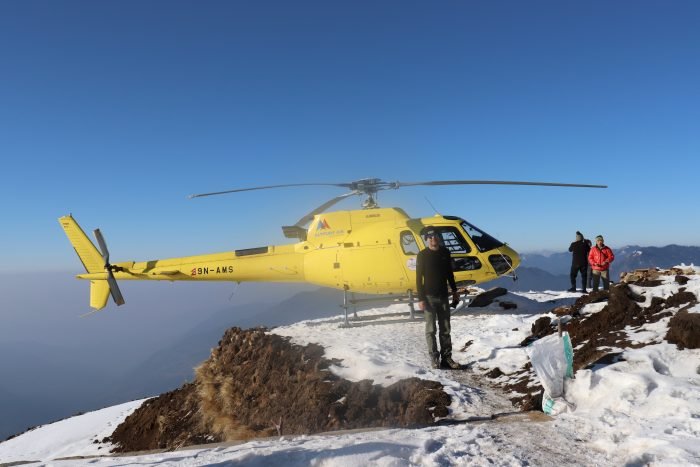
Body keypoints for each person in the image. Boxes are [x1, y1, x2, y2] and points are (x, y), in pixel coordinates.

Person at [416, 227, 461, 370]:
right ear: (426, 239)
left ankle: (446, 358)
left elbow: (450, 274)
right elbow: (418, 279)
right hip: (428, 298)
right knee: (430, 330)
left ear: (438, 237)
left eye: (434, 236)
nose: (432, 238)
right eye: (429, 237)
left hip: (443, 297)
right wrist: (421, 298)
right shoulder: (422, 255)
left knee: (445, 329)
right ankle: (434, 358)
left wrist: (454, 291)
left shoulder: (445, 252)